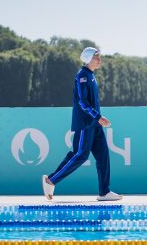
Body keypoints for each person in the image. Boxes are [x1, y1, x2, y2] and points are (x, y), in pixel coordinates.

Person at [42, 47, 122, 202]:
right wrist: (98, 117)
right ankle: (50, 180)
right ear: (88, 59)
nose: (99, 60)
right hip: (86, 124)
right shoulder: (82, 76)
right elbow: (82, 102)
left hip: (94, 124)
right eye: (97, 57)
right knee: (80, 155)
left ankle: (104, 192)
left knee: (103, 156)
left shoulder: (91, 75)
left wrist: (97, 119)